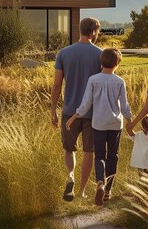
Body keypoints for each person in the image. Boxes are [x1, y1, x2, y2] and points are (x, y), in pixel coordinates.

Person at [66, 48, 132, 206]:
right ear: (117, 63)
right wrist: (130, 120)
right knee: (113, 156)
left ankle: (100, 183)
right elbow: (124, 107)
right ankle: (108, 190)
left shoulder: (93, 80)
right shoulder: (120, 81)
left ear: (101, 62)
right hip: (115, 124)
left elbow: (86, 104)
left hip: (98, 123)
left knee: (100, 156)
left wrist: (74, 117)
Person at [51, 17, 102, 201]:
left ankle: (70, 176)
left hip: (69, 111)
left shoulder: (63, 53)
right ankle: (81, 192)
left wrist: (53, 112)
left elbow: (56, 86)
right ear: (93, 31)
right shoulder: (100, 54)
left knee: (69, 149)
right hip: (92, 113)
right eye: (98, 32)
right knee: (90, 151)